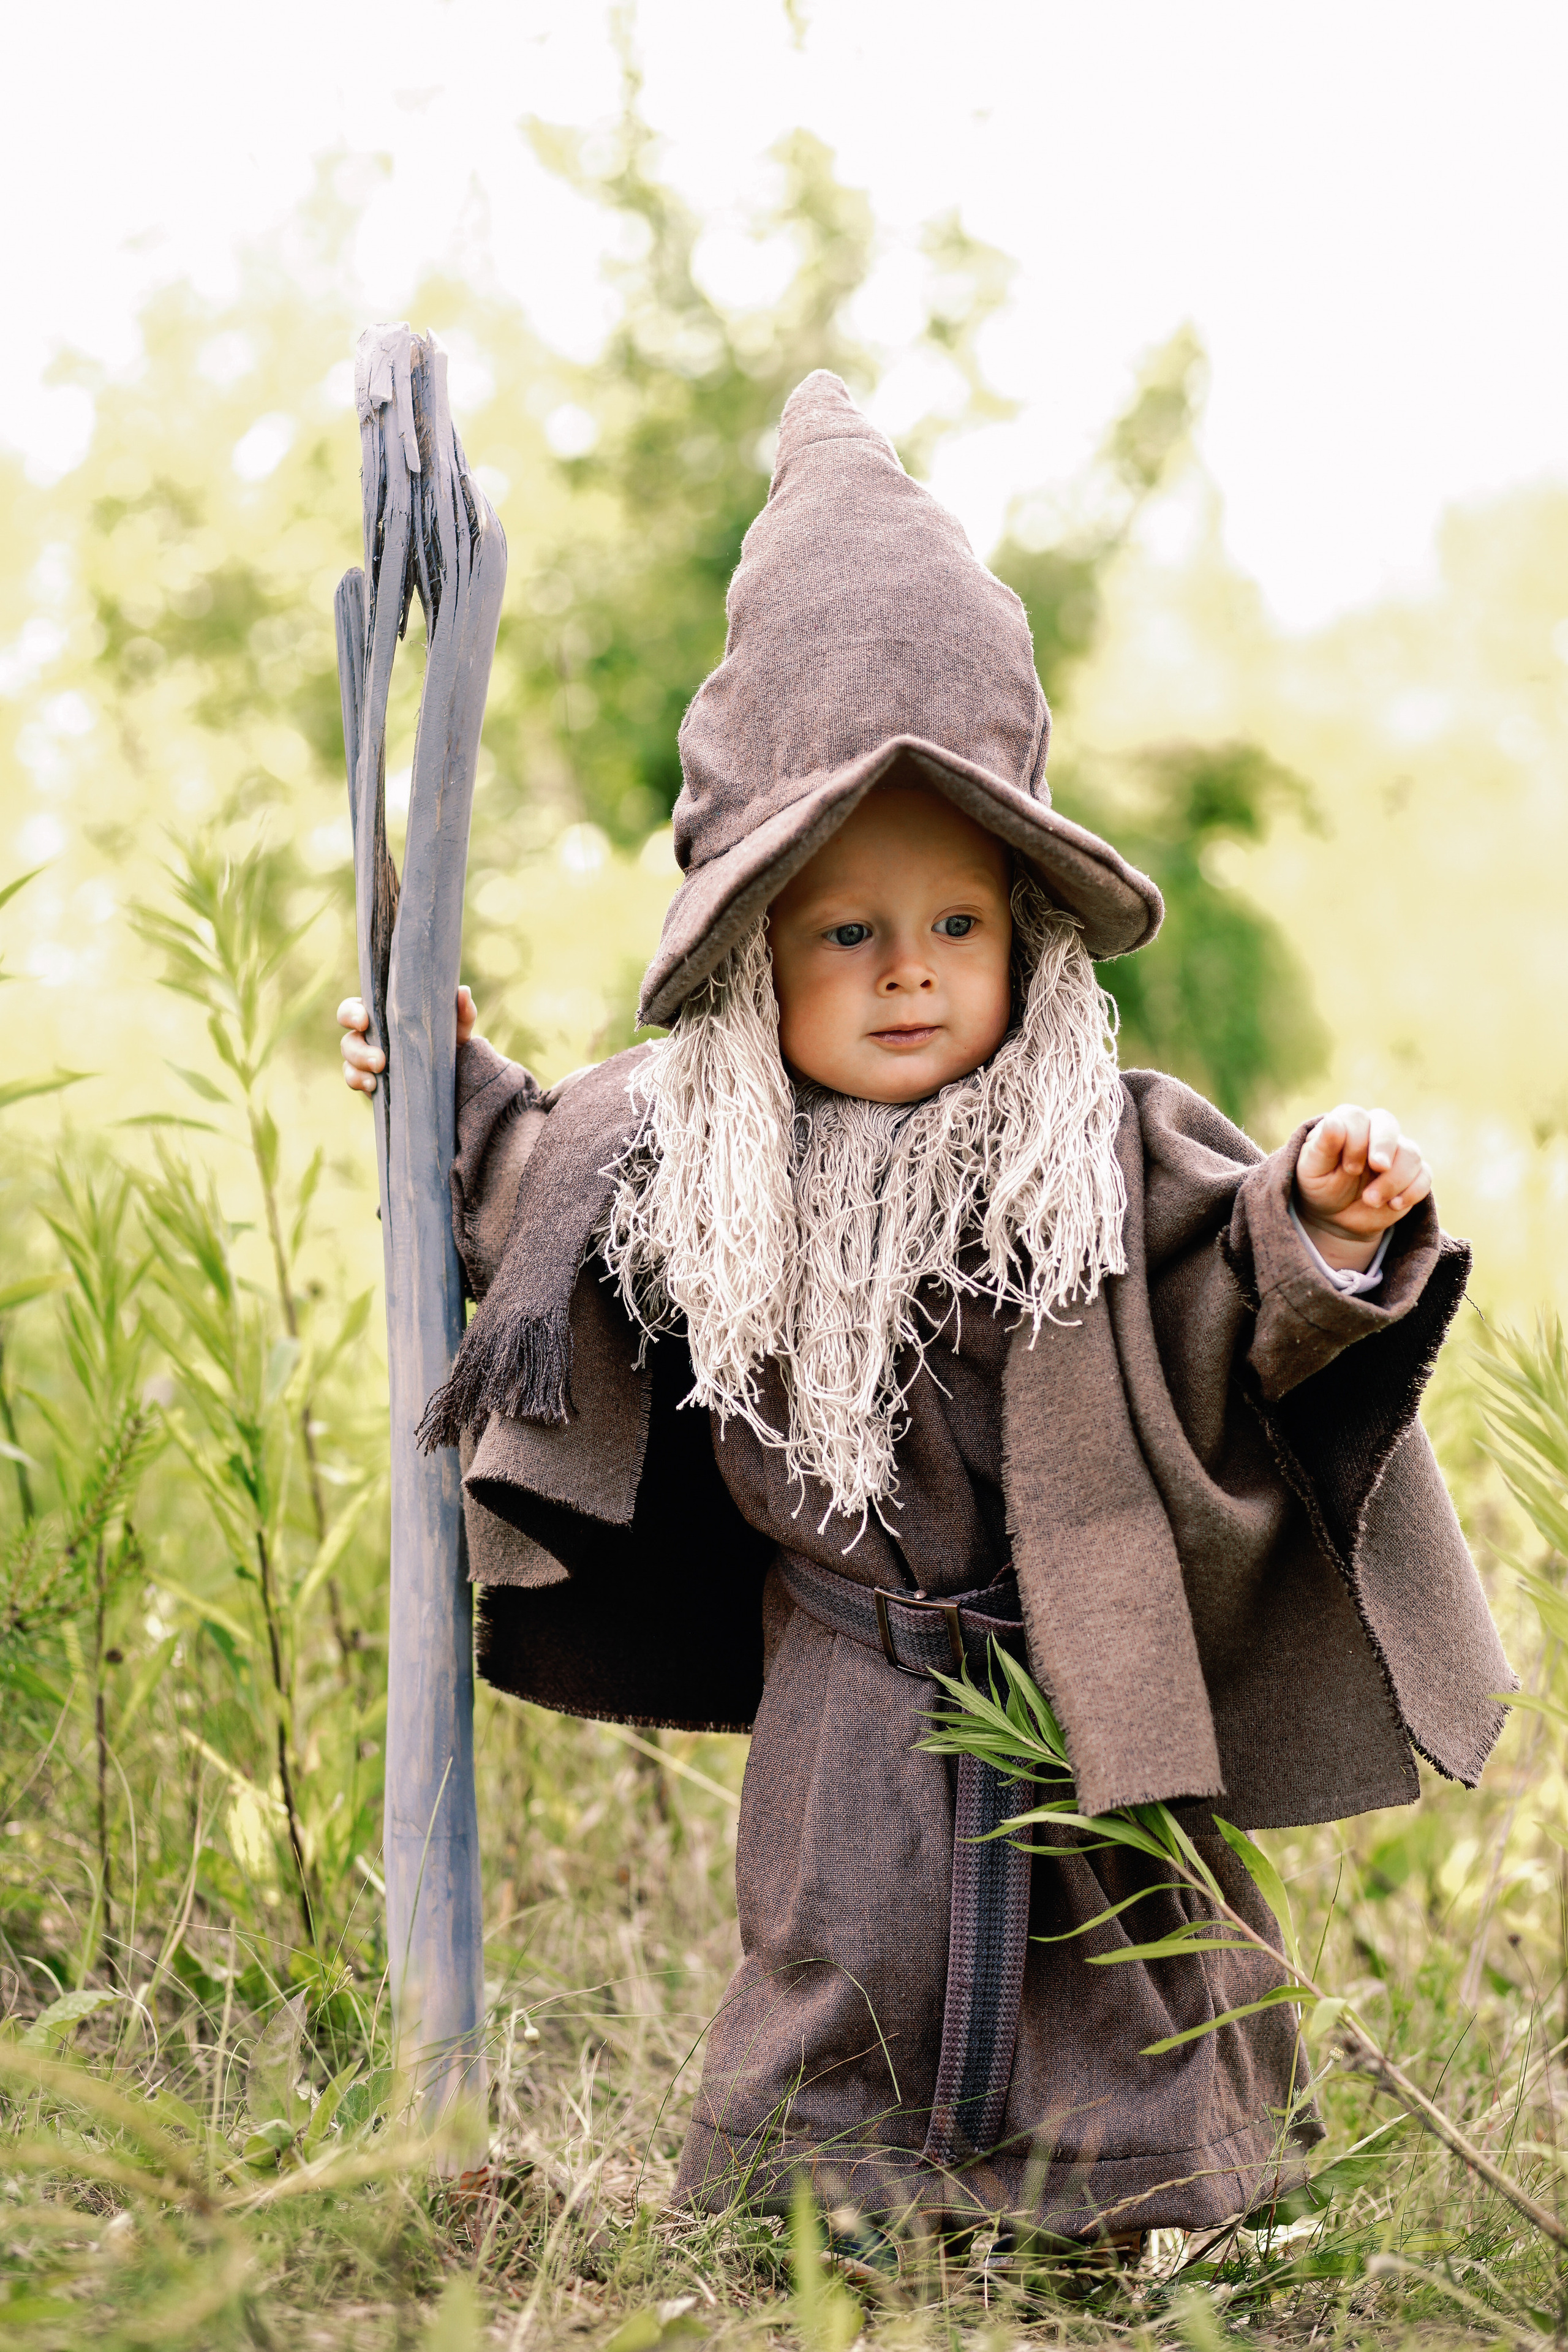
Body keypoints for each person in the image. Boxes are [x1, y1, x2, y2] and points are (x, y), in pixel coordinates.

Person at [337, 372, 1511, 2249]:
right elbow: (537, 1198)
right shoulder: (695, 1146)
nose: (909, 975)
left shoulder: (1094, 1147)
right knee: (838, 1951)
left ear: (1024, 931)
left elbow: (1232, 1292)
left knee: (1129, 1962)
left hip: (1072, 1661)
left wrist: (1319, 1222)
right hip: (850, 1679)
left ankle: (1148, 2211)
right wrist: (440, 1077)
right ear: (758, 955)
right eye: (847, 932)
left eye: (956, 925)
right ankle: (821, 2221)